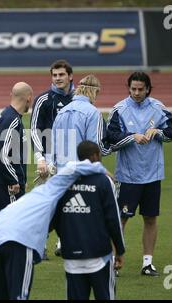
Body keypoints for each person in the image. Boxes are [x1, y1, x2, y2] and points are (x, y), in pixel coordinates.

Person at [0, 146, 108, 300]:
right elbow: (71, 168)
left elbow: (52, 227)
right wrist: (100, 169)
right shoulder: (53, 189)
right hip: (17, 239)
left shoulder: (35, 199)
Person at [106, 71, 172, 276]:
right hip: (128, 176)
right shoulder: (119, 110)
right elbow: (110, 138)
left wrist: (159, 133)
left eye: (140, 89)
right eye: (133, 89)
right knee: (121, 219)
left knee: (151, 218)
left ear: (148, 89)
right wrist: (132, 137)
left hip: (153, 175)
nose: (136, 93)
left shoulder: (159, 108)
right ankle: (113, 261)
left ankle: (147, 263)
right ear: (129, 88)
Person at [53, 141, 125, 300]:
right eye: (99, 154)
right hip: (98, 255)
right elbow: (113, 219)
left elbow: (55, 218)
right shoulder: (104, 181)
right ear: (94, 156)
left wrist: (66, 239)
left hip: (72, 256)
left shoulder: (64, 182)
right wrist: (119, 250)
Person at [51, 74, 111, 256]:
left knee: (68, 207)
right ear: (95, 92)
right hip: (83, 170)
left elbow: (53, 142)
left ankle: (63, 241)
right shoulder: (93, 113)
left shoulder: (62, 112)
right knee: (86, 211)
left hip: (62, 169)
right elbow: (94, 147)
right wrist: (112, 148)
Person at [0, 82, 33, 216]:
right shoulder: (12, 120)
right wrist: (14, 179)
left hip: (4, 180)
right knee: (11, 223)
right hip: (7, 183)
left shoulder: (7, 115)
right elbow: (2, 154)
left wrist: (22, 179)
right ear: (29, 98)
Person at [31, 59, 74, 181]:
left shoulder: (79, 99)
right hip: (50, 158)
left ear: (70, 76)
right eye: (54, 75)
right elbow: (35, 131)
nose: (57, 78)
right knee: (49, 198)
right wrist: (40, 158)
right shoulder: (43, 100)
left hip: (75, 156)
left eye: (61, 74)